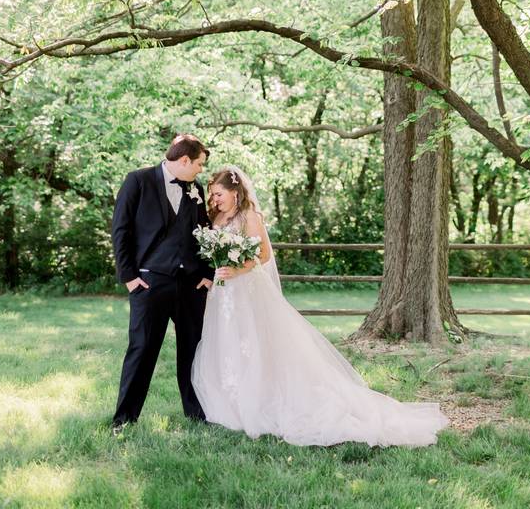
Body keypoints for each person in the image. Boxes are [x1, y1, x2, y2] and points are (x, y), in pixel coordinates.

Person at [191, 165, 449, 447]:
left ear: (235, 192)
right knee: (229, 343)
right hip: (224, 294)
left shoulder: (249, 215)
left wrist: (237, 270)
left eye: (218, 194)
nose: (214, 199)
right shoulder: (215, 216)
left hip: (247, 290)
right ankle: (232, 404)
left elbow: (263, 255)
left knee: (254, 344)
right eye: (212, 194)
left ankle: (262, 400)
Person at [110, 134, 215, 434]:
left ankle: (197, 415)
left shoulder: (195, 190)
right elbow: (121, 231)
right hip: (149, 282)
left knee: (193, 351)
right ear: (183, 160)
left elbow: (204, 234)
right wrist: (129, 277)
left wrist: (207, 272)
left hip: (191, 286)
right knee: (142, 349)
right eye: (198, 164)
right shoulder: (138, 181)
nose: (200, 170)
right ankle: (124, 419)